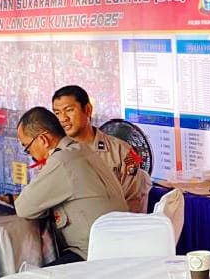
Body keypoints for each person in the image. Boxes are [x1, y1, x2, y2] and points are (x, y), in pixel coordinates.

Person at [12, 107, 127, 263]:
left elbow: (24, 208)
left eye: (27, 148)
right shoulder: (83, 149)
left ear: (43, 139)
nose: (30, 154)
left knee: (31, 275)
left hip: (91, 256)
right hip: (119, 248)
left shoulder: (61, 160)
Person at [51, 84, 151, 212]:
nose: (63, 118)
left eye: (69, 110)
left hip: (113, 222)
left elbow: (133, 202)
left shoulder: (121, 152)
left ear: (87, 110)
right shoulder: (56, 155)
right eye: (57, 113)